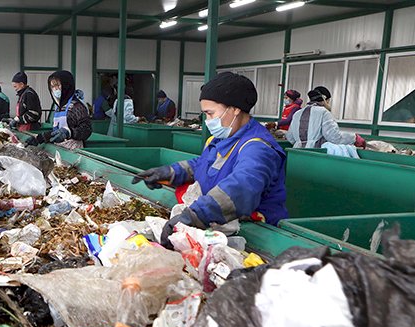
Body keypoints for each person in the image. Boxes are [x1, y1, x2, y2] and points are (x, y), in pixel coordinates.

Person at [132, 72, 288, 247]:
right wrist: (169, 172)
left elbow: (242, 188)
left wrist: (194, 215)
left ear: (235, 109)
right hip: (220, 226)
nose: (208, 121)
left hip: (257, 237)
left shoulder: (258, 147)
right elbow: (203, 165)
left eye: (210, 113)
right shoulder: (222, 139)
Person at [285, 86, 366, 158]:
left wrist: (302, 142)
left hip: (296, 154)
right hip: (315, 155)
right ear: (325, 99)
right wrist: (354, 138)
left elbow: (290, 137)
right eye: (328, 101)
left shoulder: (298, 113)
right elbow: (334, 137)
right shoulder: (323, 112)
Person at [25, 70, 92, 150]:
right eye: (52, 87)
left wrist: (69, 132)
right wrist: (40, 138)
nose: (55, 89)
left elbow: (86, 129)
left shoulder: (77, 107)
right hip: (60, 149)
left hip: (74, 151)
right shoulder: (58, 108)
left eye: (58, 85)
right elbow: (56, 131)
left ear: (66, 85)